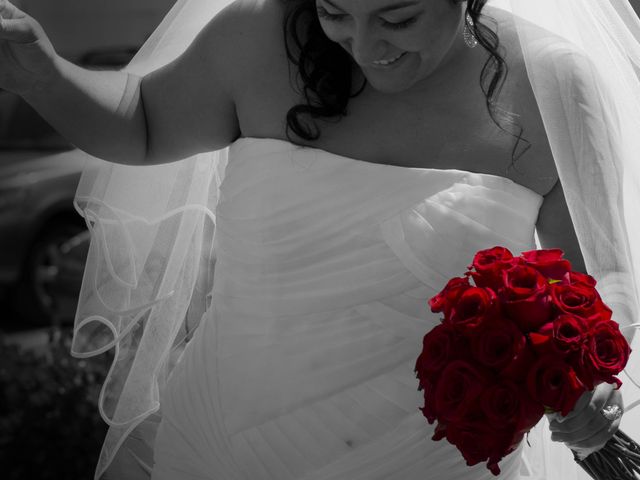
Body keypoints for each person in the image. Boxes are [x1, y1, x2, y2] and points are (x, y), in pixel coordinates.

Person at [1, 0, 639, 479]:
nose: (364, 44)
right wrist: (44, 75)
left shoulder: (551, 81)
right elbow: (141, 124)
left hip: (423, 459)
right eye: (335, 11)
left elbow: (598, 280)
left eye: (398, 16)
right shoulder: (259, 37)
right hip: (220, 441)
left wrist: (592, 383)